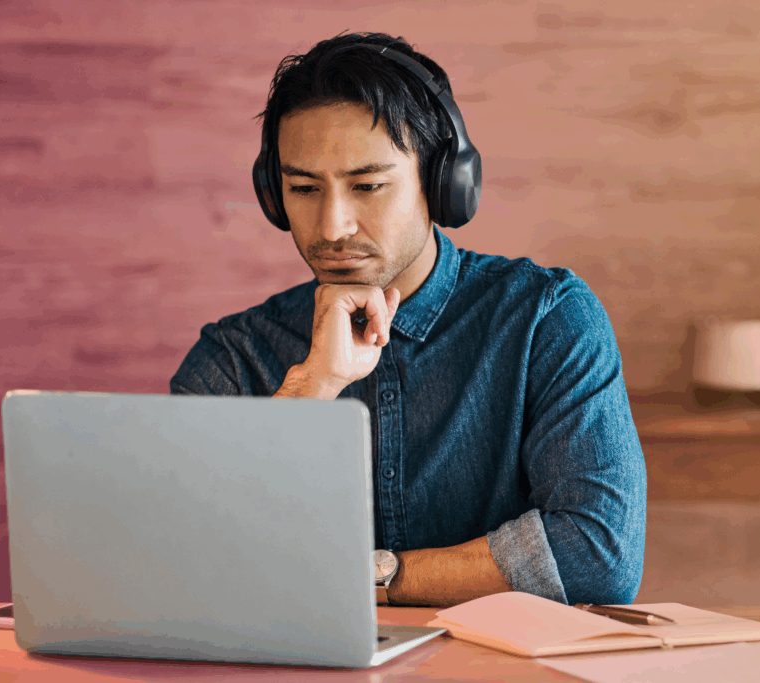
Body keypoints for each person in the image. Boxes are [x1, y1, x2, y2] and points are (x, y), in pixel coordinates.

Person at [170, 31, 646, 607]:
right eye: (302, 188)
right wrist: (311, 388)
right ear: (273, 195)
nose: (331, 227)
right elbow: (188, 561)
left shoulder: (546, 319)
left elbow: (599, 556)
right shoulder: (232, 357)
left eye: (368, 186)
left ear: (444, 182)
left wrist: (375, 576)